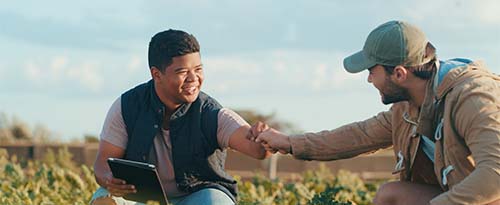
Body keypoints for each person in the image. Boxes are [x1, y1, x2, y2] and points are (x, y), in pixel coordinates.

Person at [251, 20, 500, 205]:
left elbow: (495, 175)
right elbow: (358, 136)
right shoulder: (409, 105)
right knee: (390, 195)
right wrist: (289, 142)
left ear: (400, 74)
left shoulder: (472, 98)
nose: (369, 80)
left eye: (372, 71)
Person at [90, 29, 271, 205]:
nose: (193, 78)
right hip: (140, 199)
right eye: (182, 72)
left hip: (197, 198)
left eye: (198, 69)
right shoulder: (127, 106)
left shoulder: (211, 113)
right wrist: (109, 179)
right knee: (104, 198)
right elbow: (102, 164)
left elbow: (256, 149)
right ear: (156, 74)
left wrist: (265, 139)